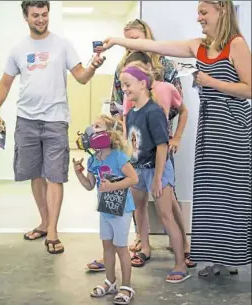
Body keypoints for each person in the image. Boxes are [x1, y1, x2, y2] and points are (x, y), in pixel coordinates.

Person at [100, 0, 251, 276]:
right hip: (210, 127)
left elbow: (250, 88)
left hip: (233, 129)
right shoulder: (198, 46)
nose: (199, 18)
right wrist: (115, 41)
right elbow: (156, 46)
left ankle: (231, 257)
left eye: (204, 12)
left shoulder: (237, 44)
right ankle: (214, 259)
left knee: (230, 195)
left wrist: (211, 82)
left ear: (223, 11)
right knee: (209, 194)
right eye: (198, 13)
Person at [0, 1, 105, 255]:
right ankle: (43, 221)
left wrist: (93, 67)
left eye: (44, 14)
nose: (41, 19)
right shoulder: (18, 49)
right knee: (35, 175)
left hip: (55, 119)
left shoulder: (62, 45)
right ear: (25, 17)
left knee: (55, 175)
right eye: (35, 15)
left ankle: (52, 230)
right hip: (26, 120)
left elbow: (81, 77)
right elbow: (5, 84)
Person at [108, 19, 184, 255]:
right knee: (137, 198)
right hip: (135, 145)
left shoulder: (165, 66)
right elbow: (118, 107)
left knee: (167, 195)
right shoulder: (122, 70)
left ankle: (182, 242)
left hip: (160, 141)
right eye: (128, 40)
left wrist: (175, 137)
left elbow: (179, 106)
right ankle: (143, 242)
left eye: (136, 38)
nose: (132, 44)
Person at [121, 54, 195, 270]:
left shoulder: (153, 112)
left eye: (127, 85)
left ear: (143, 84)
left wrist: (158, 178)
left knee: (165, 215)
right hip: (138, 169)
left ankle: (180, 263)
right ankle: (145, 247)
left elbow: (162, 147)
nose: (124, 89)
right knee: (139, 209)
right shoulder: (132, 112)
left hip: (157, 169)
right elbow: (132, 143)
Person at [73, 115, 137, 304]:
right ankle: (110, 281)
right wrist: (79, 173)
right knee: (107, 247)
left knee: (121, 248)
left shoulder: (118, 157)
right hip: (105, 210)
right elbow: (89, 185)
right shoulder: (94, 160)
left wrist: (112, 186)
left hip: (122, 210)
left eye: (97, 126)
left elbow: (133, 179)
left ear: (109, 134)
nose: (91, 129)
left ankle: (127, 287)